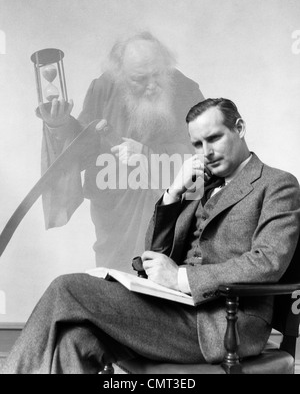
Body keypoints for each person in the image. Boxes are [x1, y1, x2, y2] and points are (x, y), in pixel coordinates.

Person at [2, 98, 300, 374]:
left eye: (214, 138)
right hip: (176, 311)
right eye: (197, 144)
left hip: (223, 324)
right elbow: (154, 253)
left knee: (66, 287)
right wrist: (173, 193)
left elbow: (268, 262)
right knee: (75, 339)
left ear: (240, 128)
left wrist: (179, 279)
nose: (205, 152)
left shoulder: (277, 184)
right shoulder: (200, 187)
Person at [39, 31, 204, 272]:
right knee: (113, 291)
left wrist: (150, 156)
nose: (151, 86)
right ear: (120, 74)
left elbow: (205, 155)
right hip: (115, 215)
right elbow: (83, 149)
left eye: (158, 74)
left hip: (168, 214)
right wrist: (59, 125)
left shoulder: (187, 90)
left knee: (163, 292)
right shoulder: (103, 88)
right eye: (140, 78)